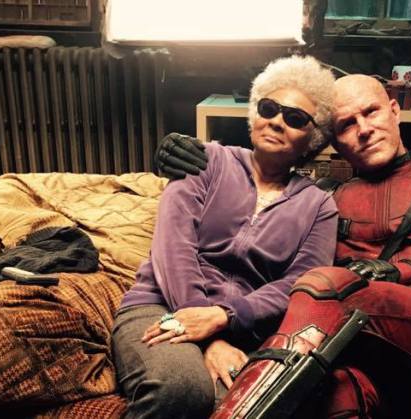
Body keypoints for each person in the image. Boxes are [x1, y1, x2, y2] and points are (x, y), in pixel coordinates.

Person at [156, 74, 411, 418]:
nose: (363, 129)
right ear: (331, 142)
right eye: (345, 125)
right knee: (334, 394)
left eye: (371, 112)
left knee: (328, 283)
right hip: (367, 357)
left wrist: (403, 272)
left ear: (394, 110)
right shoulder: (323, 199)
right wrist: (180, 149)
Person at [111, 55, 339, 419]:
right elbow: (174, 248)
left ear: (312, 138)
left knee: (241, 409)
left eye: (295, 118)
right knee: (180, 388)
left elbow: (301, 283)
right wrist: (208, 334)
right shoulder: (205, 161)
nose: (276, 121)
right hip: (159, 304)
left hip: (242, 330)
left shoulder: (319, 205)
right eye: (269, 108)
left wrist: (225, 318)